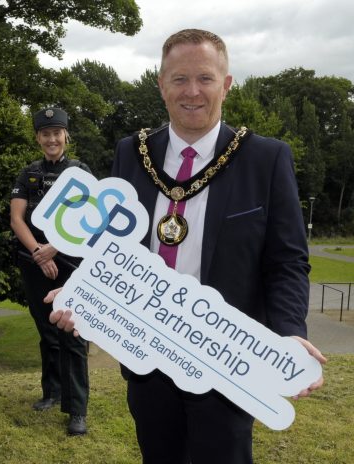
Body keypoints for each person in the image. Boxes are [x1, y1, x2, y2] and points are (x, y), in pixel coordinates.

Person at [49, 29, 326, 463]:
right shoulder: (131, 152)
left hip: (226, 357)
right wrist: (83, 298)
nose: (192, 91)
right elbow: (109, 248)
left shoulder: (265, 158)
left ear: (227, 84)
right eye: (179, 79)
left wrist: (289, 331)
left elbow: (287, 261)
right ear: (161, 86)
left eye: (205, 78)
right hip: (146, 355)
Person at [10, 107, 90, 435]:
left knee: (72, 334)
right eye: (45, 133)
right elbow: (16, 219)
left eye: (57, 133)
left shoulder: (80, 171)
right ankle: (52, 393)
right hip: (35, 263)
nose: (51, 139)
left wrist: (54, 247)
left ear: (66, 136)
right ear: (38, 138)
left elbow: (90, 219)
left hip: (70, 262)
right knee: (46, 331)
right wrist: (38, 254)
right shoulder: (28, 174)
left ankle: (77, 410)